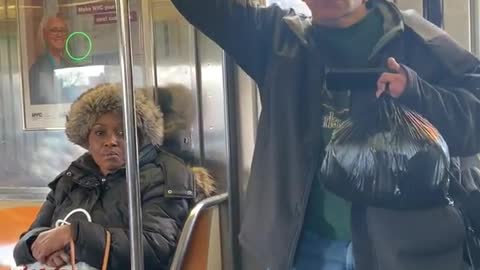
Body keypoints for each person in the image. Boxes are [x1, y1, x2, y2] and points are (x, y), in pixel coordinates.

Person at [171, 0, 480, 269]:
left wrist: (417, 93)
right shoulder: (276, 39)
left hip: (405, 251)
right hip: (302, 248)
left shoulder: (420, 40)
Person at [13, 83, 215, 269]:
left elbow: (155, 249)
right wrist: (40, 247)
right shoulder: (71, 178)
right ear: (86, 139)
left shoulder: (164, 177)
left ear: (139, 137)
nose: (111, 141)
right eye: (100, 133)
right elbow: (24, 245)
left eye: (122, 132)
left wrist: (74, 235)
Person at [29, 16, 70, 105]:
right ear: (45, 34)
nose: (59, 34)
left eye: (62, 30)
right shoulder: (37, 68)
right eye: (54, 30)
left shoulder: (69, 66)